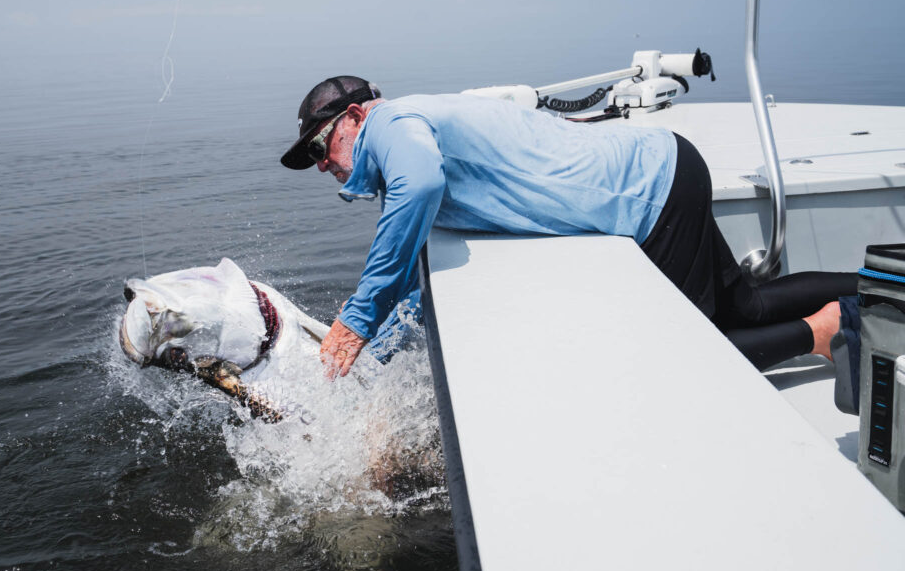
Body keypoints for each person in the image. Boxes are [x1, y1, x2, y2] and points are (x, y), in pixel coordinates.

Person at [280, 76, 856, 379]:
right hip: (666, 163)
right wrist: (371, 361)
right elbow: (407, 268)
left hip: (649, 194)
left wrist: (353, 323)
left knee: (698, 355)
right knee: (746, 307)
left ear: (356, 116)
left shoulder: (393, 125)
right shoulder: (408, 143)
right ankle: (875, 279)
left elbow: (422, 188)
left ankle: (822, 333)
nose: (322, 163)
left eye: (321, 145)